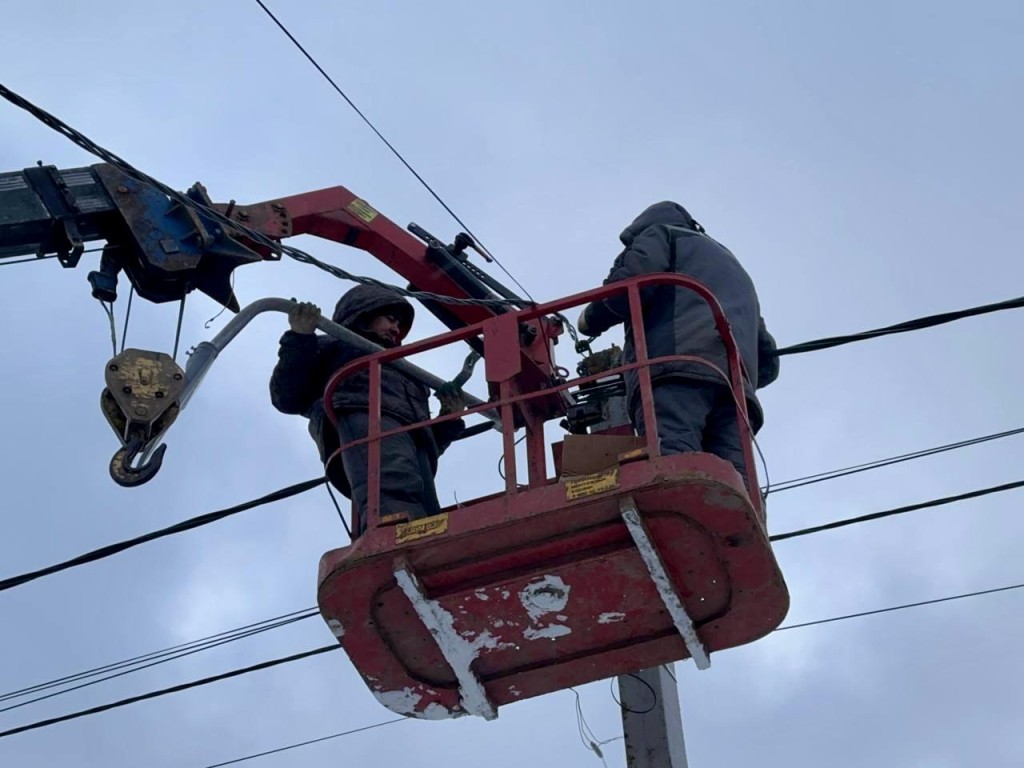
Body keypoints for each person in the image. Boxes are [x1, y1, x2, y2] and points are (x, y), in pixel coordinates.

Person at [576, 201, 779, 486]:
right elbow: (768, 361)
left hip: (676, 372)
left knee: (675, 466)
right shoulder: (732, 265)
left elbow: (633, 280)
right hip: (735, 390)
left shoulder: (659, 235)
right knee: (735, 485)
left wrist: (592, 317)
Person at [269, 284, 466, 532]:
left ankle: (422, 538)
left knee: (422, 497)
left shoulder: (410, 375)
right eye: (390, 319)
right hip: (362, 415)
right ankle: (392, 533)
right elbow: (286, 396)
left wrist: (448, 420)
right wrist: (300, 337)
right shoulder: (335, 346)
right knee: (392, 482)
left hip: (410, 443)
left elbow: (427, 441)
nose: (396, 329)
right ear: (363, 319)